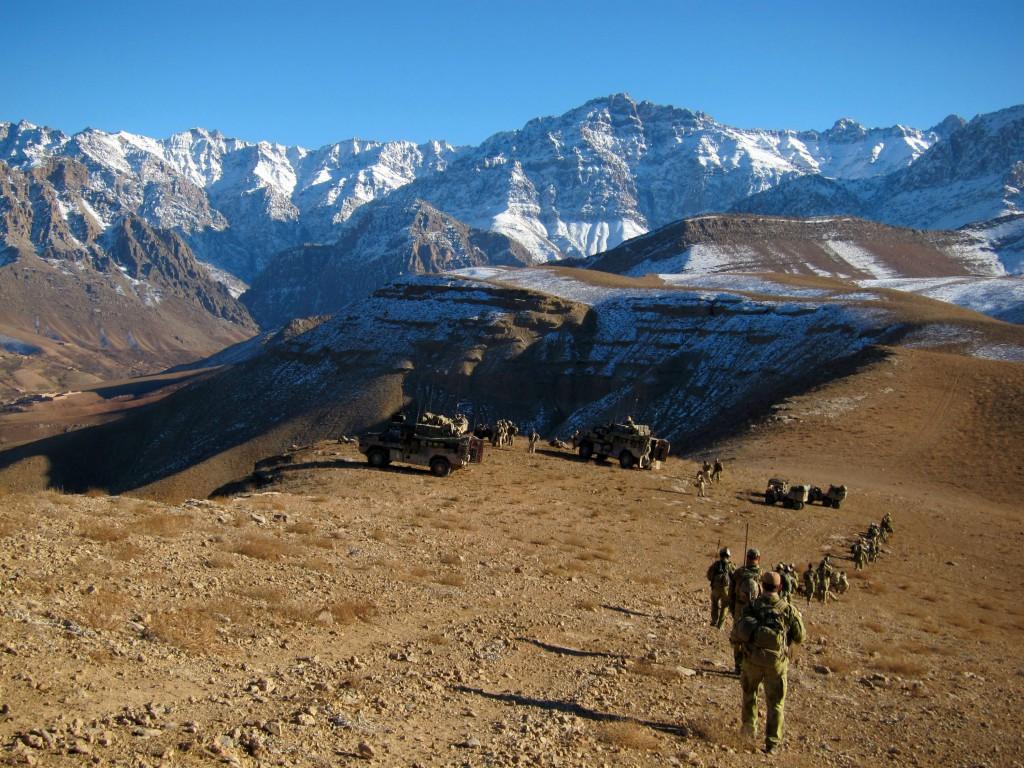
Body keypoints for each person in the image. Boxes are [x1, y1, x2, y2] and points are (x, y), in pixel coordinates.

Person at [730, 571, 806, 755]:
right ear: (779, 588)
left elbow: (736, 634)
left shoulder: (752, 607)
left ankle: (748, 734)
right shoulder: (787, 609)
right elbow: (800, 636)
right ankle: (772, 743)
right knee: (776, 704)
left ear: (761, 586)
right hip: (776, 664)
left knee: (749, 696)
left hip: (752, 660)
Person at [729, 549, 763, 673]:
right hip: (755, 611)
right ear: (758, 559)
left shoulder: (739, 573)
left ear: (747, 557)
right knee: (753, 637)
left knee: (738, 637)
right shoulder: (762, 574)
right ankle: (750, 665)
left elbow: (731, 593)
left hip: (740, 609)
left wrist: (732, 609)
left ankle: (738, 666)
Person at [706, 547, 735, 629]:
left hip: (715, 589)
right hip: (726, 590)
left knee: (714, 603)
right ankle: (720, 625)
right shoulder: (731, 566)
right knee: (725, 606)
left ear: (720, 555)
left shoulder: (715, 564)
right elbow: (734, 578)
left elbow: (709, 576)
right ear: (728, 556)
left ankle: (714, 621)